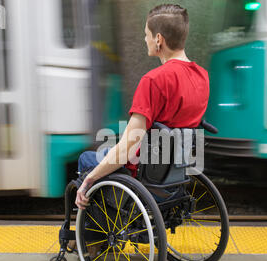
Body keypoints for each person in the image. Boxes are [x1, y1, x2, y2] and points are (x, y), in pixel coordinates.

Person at [75, 4, 210, 211]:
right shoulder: (202, 75)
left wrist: (90, 179)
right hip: (175, 173)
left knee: (87, 159)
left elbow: (128, 145)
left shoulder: (153, 80)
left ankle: (95, 240)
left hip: (147, 173)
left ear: (158, 39)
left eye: (146, 34)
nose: (144, 39)